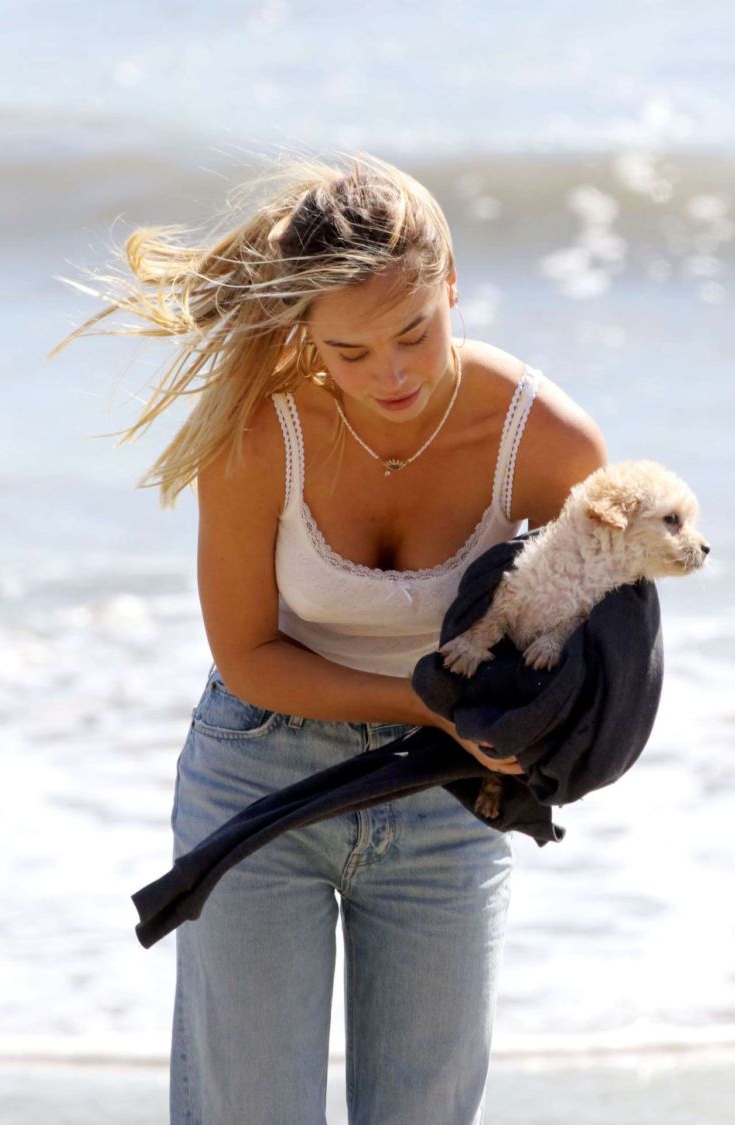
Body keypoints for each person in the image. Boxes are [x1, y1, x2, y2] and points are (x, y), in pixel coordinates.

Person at [52, 152, 607, 1124]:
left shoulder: (545, 441)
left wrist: (535, 735)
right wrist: (432, 706)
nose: (388, 373)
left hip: (448, 801)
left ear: (452, 285)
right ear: (305, 332)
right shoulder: (260, 431)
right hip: (262, 783)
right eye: (348, 353)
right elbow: (249, 656)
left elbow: (612, 653)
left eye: (413, 332)